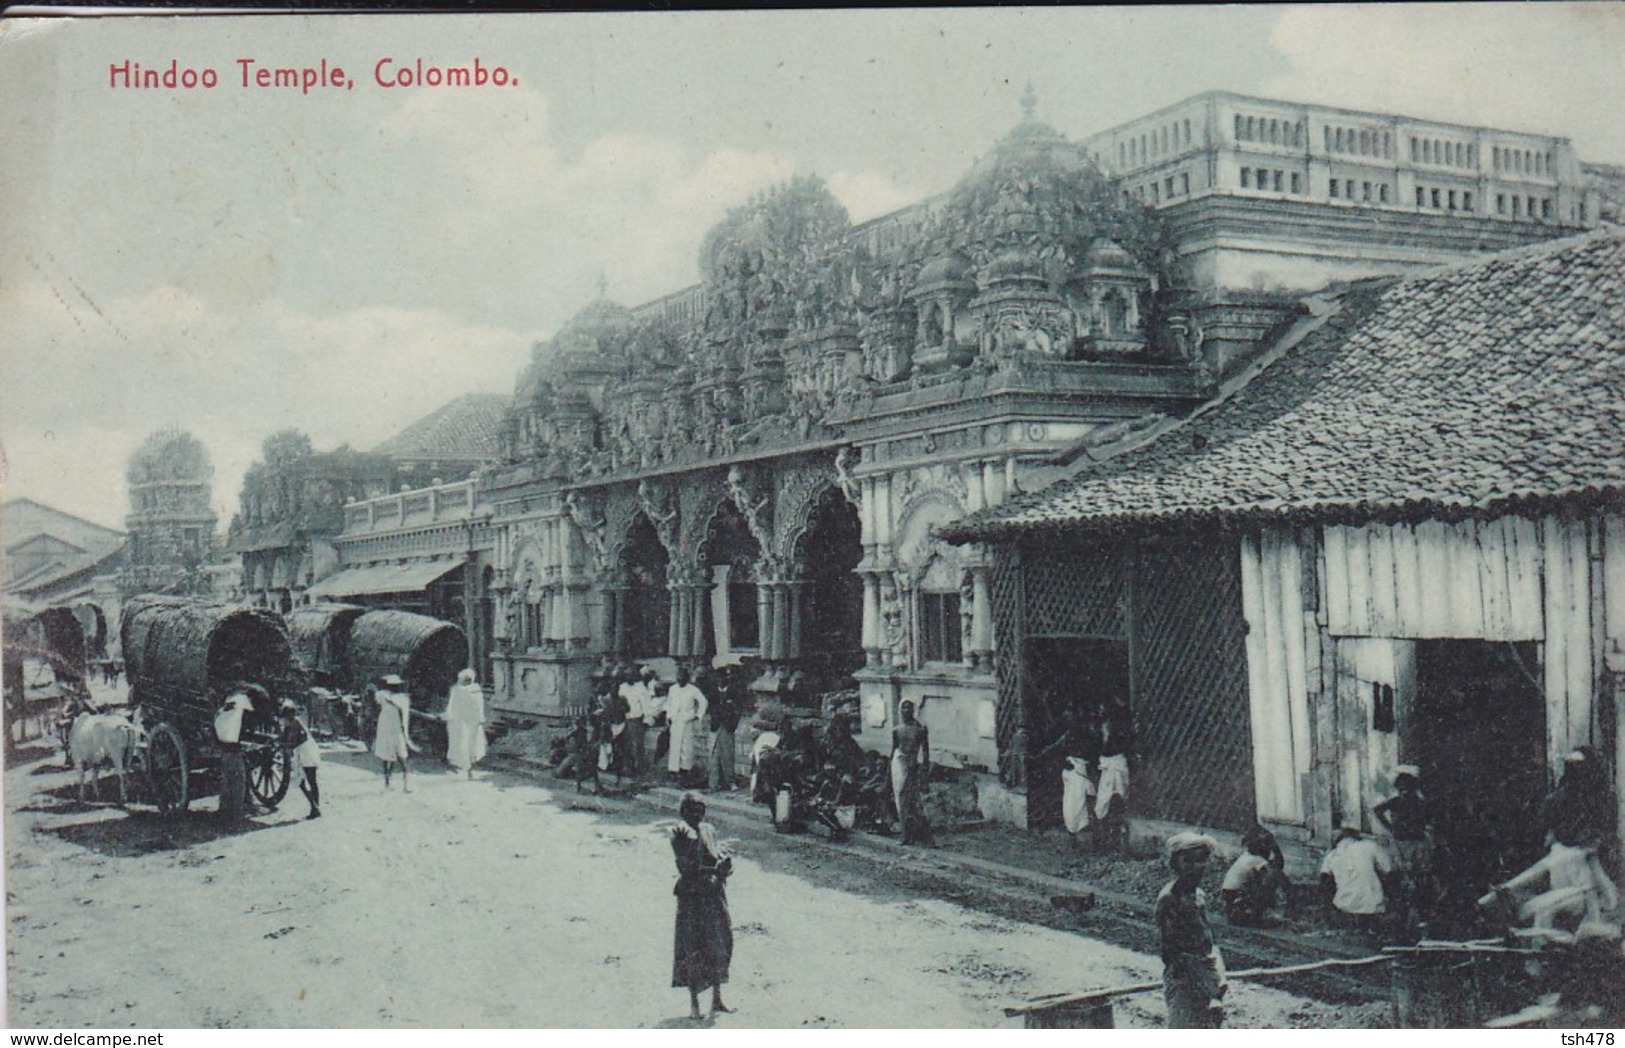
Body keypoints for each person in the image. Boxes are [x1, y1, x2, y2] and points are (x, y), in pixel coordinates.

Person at [671, 792, 734, 1020]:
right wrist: (714, 870)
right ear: (683, 811)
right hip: (692, 897)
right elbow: (686, 868)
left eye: (700, 809)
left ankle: (717, 998)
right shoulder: (679, 833)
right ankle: (694, 1004)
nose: (697, 814)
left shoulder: (709, 830)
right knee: (693, 947)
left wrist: (725, 867)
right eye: (691, 810)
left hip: (713, 894)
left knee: (720, 942)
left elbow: (715, 857)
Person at [1157, 832, 1226, 1029]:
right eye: (1187, 861)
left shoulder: (1198, 896)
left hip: (1204, 971)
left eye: (1201, 860)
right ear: (1175, 864)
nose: (1195, 867)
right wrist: (1194, 980)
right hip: (1184, 976)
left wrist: (1215, 975)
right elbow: (1169, 950)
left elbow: (1208, 937)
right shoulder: (1170, 898)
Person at [1373, 766, 1434, 924]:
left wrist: (1423, 827)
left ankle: (1419, 912)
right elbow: (1377, 810)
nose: (1403, 792)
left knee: (1420, 876)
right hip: (1401, 843)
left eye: (1406, 788)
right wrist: (1390, 827)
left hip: (1417, 842)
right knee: (1402, 876)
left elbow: (1429, 818)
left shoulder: (1420, 803)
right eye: (1401, 789)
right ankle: (1405, 912)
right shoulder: (1396, 802)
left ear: (1413, 788)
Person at [1319, 827, 1394, 939]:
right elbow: (1388, 868)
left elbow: (1324, 880)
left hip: (1343, 903)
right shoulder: (1369, 846)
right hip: (1372, 902)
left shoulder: (1331, 856)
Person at [1222, 825, 1287, 926]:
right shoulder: (1257, 861)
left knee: (1264, 881)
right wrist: (1277, 850)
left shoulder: (1246, 857)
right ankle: (1265, 914)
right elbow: (1277, 868)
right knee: (1272, 880)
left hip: (1232, 903)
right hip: (1239, 904)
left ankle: (1257, 914)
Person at [891, 700, 933, 845]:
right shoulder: (896, 730)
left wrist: (924, 771)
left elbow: (925, 751)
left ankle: (925, 837)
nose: (905, 711)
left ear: (913, 710)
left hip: (914, 767)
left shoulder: (920, 729)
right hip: (899, 767)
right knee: (901, 801)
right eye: (903, 707)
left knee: (916, 802)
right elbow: (894, 751)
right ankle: (905, 834)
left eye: (909, 708)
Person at [213, 685, 257, 821]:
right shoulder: (241, 700)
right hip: (235, 753)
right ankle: (237, 813)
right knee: (239, 783)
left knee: (226, 782)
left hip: (225, 751)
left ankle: (224, 810)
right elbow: (251, 710)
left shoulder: (222, 712)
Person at [279, 701, 322, 819]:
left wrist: (290, 746)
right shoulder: (289, 724)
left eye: (288, 715)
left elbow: (303, 737)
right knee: (303, 781)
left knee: (310, 779)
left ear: (292, 714)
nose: (286, 718)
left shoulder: (297, 722)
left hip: (307, 751)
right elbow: (284, 737)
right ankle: (315, 807)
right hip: (301, 752)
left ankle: (315, 807)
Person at [666, 667, 709, 786]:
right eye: (678, 678)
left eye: (682, 678)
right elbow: (668, 703)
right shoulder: (672, 689)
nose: (680, 680)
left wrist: (698, 715)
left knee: (686, 748)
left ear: (687, 678)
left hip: (687, 721)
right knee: (675, 747)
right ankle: (674, 772)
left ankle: (685, 773)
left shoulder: (693, 690)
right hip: (675, 721)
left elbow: (703, 702)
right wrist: (669, 716)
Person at [372, 674, 415, 792]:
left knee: (401, 756)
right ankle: (388, 783)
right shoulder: (384, 695)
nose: (395, 688)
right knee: (388, 756)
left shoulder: (400, 698)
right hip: (387, 729)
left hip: (396, 729)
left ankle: (406, 784)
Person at [707, 665, 746, 791]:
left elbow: (737, 710)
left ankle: (730, 781)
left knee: (728, 754)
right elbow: (711, 708)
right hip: (716, 725)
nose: (720, 680)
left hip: (728, 725)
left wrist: (731, 722)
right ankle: (714, 782)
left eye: (722, 678)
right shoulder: (713, 692)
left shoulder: (734, 692)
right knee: (714, 753)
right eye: (718, 678)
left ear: (726, 678)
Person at [443, 668, 487, 780]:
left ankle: (468, 770)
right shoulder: (476, 690)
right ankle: (469, 770)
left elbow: (451, 706)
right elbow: (480, 707)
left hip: (462, 722)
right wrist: (480, 718)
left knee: (464, 745)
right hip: (470, 721)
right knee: (470, 745)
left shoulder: (457, 690)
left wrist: (448, 716)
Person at [619, 666, 649, 776]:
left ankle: (640, 768)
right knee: (625, 745)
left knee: (637, 746)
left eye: (631, 675)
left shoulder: (640, 688)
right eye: (627, 675)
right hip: (624, 719)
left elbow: (646, 705)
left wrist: (647, 721)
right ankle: (628, 767)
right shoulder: (622, 688)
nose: (629, 677)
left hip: (636, 720)